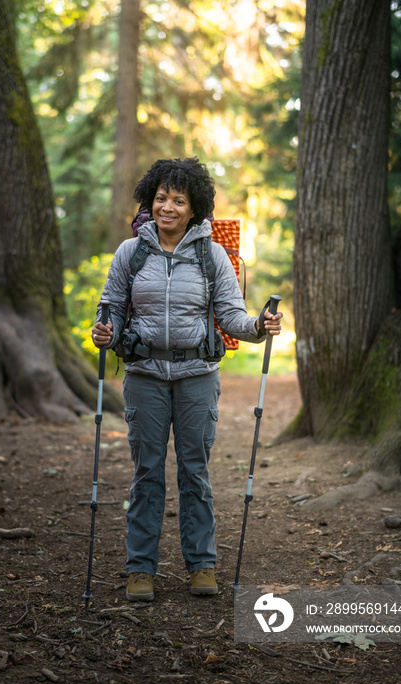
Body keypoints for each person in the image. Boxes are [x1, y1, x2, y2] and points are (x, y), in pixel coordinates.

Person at [92, 157, 282, 602]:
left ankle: (201, 565)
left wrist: (257, 326)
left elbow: (232, 315)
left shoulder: (211, 253)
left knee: (195, 473)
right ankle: (141, 569)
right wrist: (105, 332)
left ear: (195, 209)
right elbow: (111, 310)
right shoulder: (130, 252)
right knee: (147, 473)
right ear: (149, 201)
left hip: (198, 375)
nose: (168, 207)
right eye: (161, 198)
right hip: (144, 375)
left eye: (179, 200)